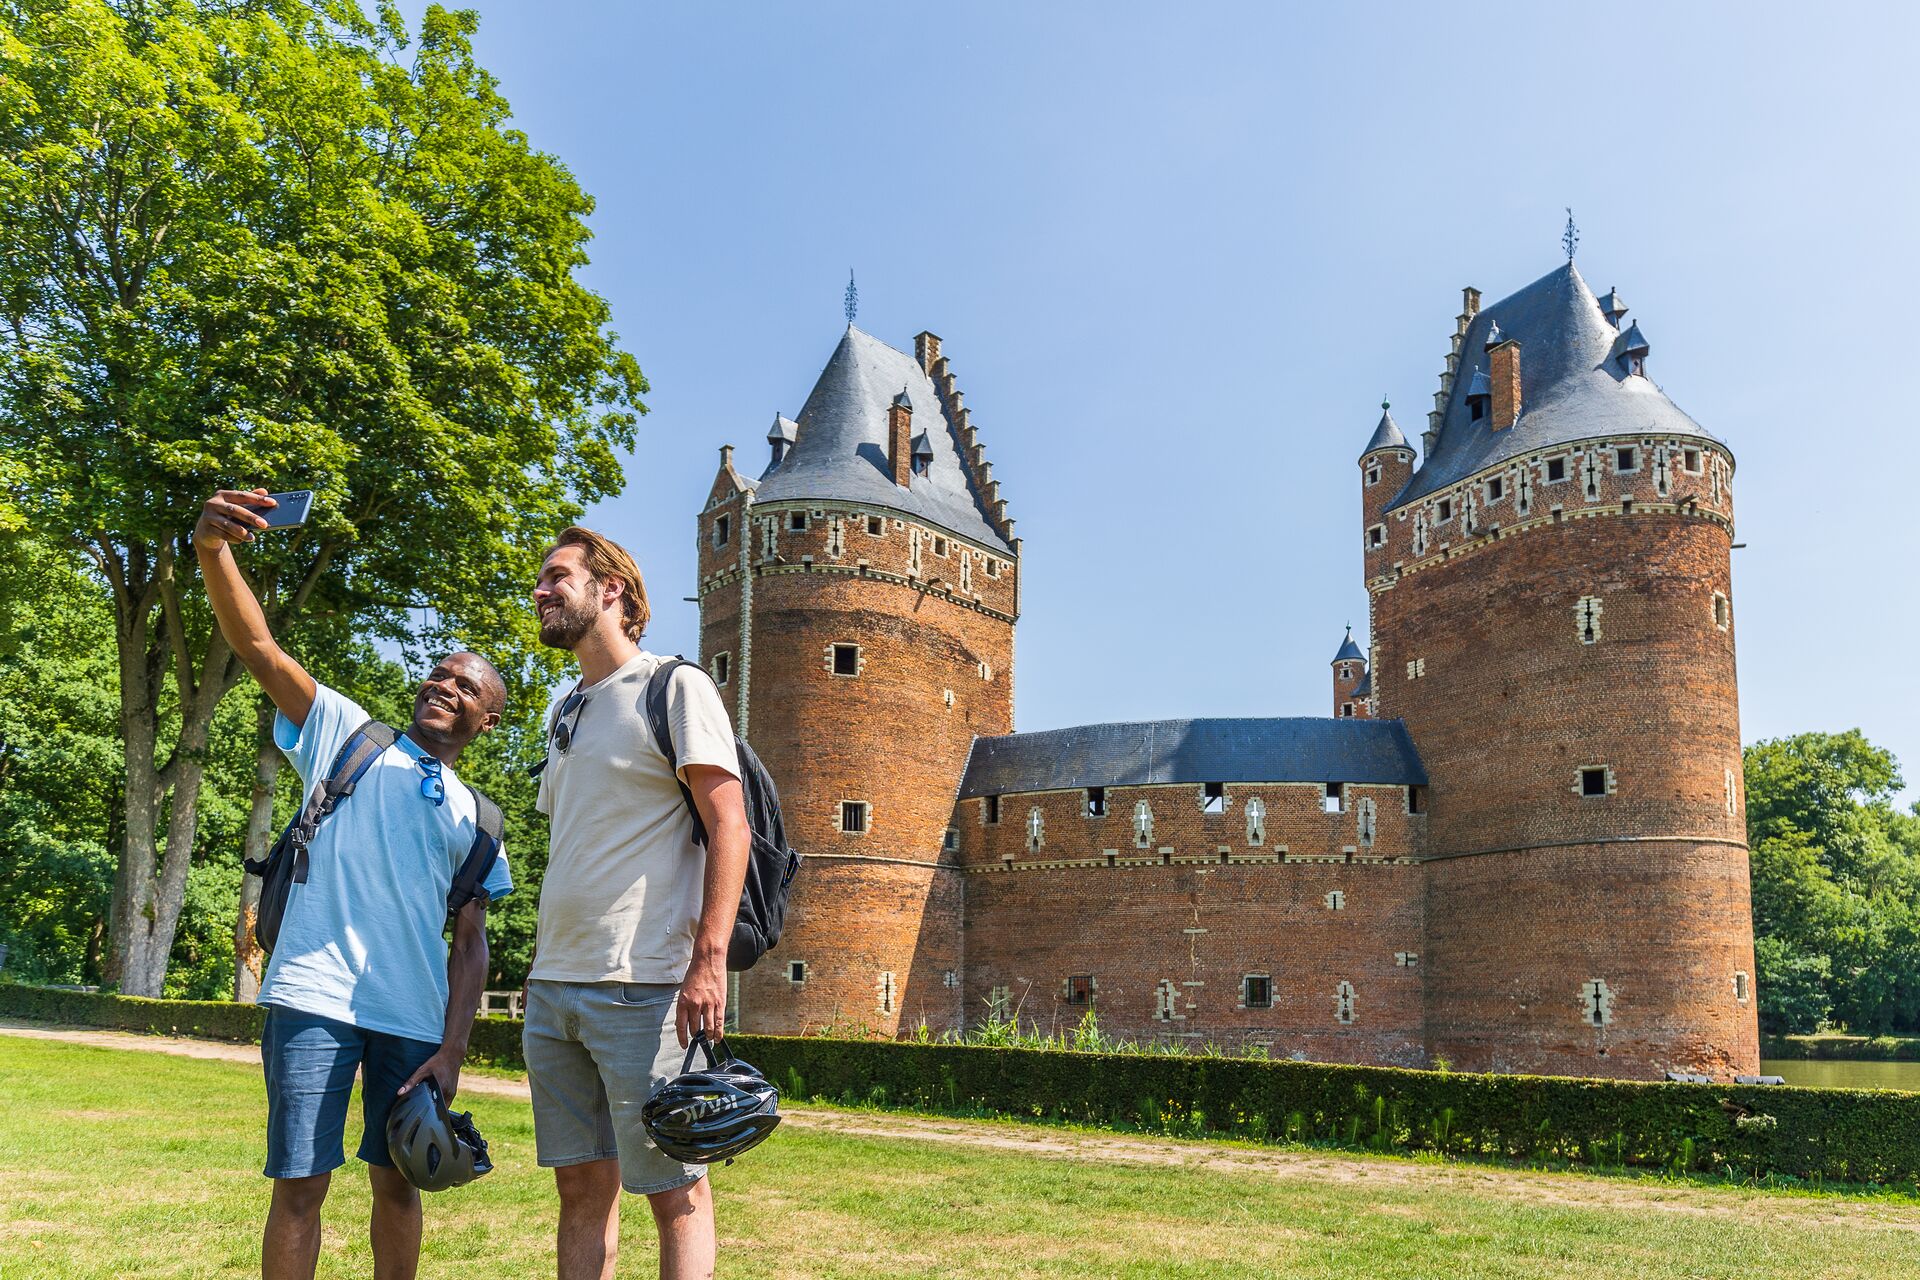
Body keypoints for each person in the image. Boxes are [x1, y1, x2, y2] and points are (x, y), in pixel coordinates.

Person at [195, 487, 514, 1280]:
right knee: (300, 1186)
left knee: (400, 1188)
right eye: (438, 674)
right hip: (311, 994)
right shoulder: (350, 734)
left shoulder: (484, 820)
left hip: (410, 1019)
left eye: (465, 685)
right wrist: (212, 549)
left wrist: (453, 1049)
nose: (443, 685)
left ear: (489, 719)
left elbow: (469, 946)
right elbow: (260, 648)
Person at [524, 526, 750, 1280]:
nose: (540, 591)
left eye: (557, 576)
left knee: (675, 1189)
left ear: (610, 589)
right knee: (580, 1189)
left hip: (645, 984)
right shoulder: (564, 712)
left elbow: (731, 825)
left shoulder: (673, 687)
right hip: (554, 986)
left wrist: (708, 962)